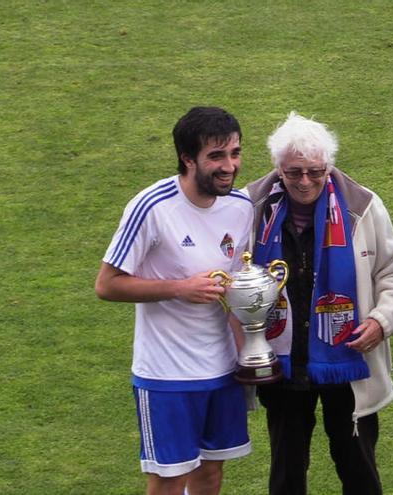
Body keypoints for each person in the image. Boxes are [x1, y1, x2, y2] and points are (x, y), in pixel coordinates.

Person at [243, 112, 393, 495]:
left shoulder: (363, 206)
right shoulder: (249, 207)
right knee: (286, 472)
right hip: (283, 363)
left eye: (315, 172)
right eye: (294, 173)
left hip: (350, 359)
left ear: (329, 167)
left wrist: (382, 321)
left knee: (358, 469)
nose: (305, 182)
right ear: (278, 169)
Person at [95, 106, 253, 495]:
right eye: (216, 156)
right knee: (169, 480)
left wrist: (249, 354)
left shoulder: (242, 207)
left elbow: (236, 288)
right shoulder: (151, 207)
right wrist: (179, 288)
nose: (229, 166)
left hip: (222, 369)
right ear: (188, 158)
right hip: (167, 374)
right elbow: (107, 284)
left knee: (211, 476)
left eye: (234, 153)